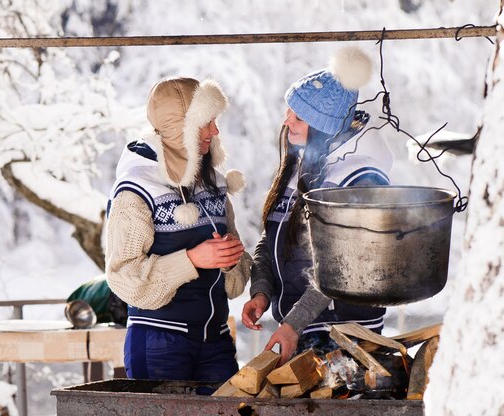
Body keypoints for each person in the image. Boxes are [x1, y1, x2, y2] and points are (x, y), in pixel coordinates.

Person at [242, 47, 393, 365]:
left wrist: (292, 324)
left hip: (346, 337)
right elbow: (272, 240)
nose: (287, 122)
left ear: (323, 125)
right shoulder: (297, 168)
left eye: (298, 116)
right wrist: (261, 291)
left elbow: (343, 266)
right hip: (298, 330)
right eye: (289, 112)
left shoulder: (360, 176)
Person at [105, 76, 251, 386]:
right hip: (160, 345)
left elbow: (233, 283)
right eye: (206, 123)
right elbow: (122, 277)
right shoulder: (137, 188)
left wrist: (232, 259)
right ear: (178, 127)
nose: (215, 131)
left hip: (217, 340)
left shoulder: (212, 181)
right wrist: (193, 260)